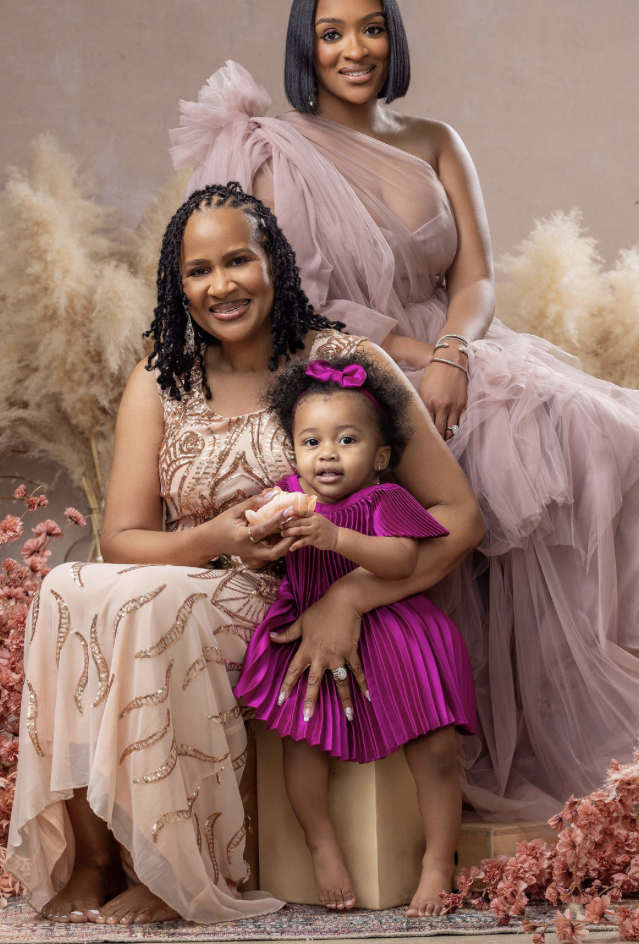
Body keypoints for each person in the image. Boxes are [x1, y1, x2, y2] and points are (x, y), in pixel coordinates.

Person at [170, 0, 639, 823]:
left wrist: (457, 351)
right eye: (334, 32)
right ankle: (489, 743)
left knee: (615, 441)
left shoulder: (434, 138)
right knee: (504, 464)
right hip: (355, 355)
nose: (357, 48)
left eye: (373, 27)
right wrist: (414, 365)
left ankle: (593, 729)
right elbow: (299, 299)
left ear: (395, 36)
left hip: (461, 343)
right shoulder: (280, 153)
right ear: (307, 46)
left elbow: (478, 276)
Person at [5, 182, 483, 925]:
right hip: (193, 571)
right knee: (66, 586)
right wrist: (213, 539)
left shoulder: (344, 365)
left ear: (275, 265)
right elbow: (122, 538)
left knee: (146, 603)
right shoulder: (163, 377)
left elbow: (460, 517)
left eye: (239, 261)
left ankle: (179, 870)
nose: (221, 285)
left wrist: (349, 596)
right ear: (180, 284)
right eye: (199, 271)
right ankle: (96, 860)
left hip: (287, 593)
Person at [237, 355, 478, 916]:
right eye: (311, 441)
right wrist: (258, 533)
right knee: (299, 738)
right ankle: (322, 845)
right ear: (294, 452)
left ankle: (439, 860)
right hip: (307, 626)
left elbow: (400, 561)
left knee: (437, 748)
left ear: (381, 456)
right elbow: (251, 540)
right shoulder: (288, 494)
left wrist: (334, 536)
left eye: (347, 440)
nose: (327, 453)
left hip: (395, 627)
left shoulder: (385, 499)